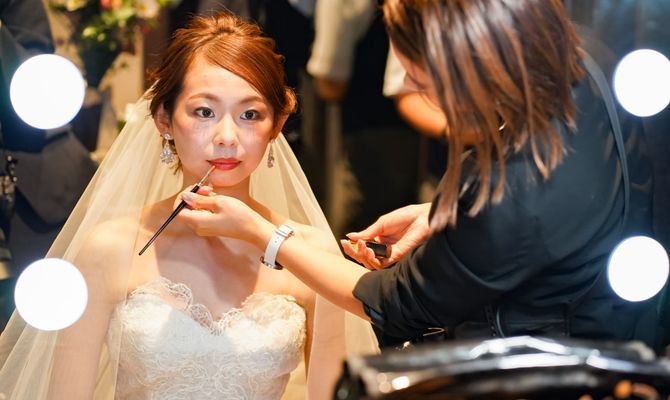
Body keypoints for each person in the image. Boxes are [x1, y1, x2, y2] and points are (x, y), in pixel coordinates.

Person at [176, 0, 660, 351]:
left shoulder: (510, 198)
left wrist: (265, 236)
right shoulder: (582, 66)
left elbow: (394, 304)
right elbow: (547, 213)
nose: (413, 86)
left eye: (425, 80)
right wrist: (443, 214)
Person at [0, 11, 376, 399]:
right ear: (164, 119)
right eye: (204, 112)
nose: (227, 137)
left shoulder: (309, 254)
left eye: (250, 114)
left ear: (276, 125)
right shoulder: (110, 248)